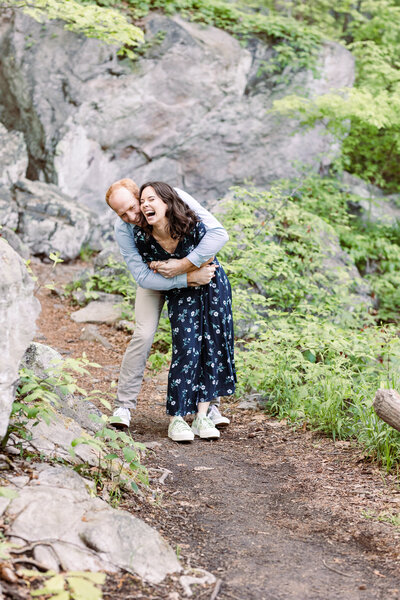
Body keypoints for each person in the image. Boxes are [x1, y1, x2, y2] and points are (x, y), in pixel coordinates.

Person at [106, 178, 231, 430]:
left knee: (204, 333)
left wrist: (184, 266)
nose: (132, 216)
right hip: (155, 280)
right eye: (123, 214)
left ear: (140, 195)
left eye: (133, 206)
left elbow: (217, 234)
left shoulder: (170, 197)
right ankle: (124, 405)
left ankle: (210, 405)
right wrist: (185, 279)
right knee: (143, 334)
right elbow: (141, 275)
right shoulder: (124, 229)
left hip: (185, 270)